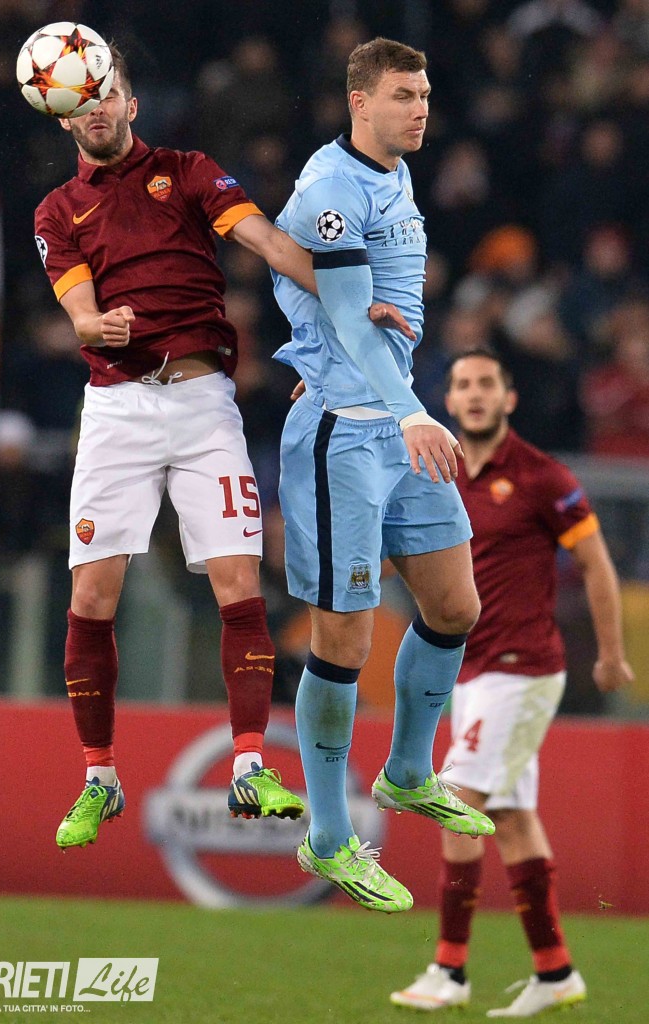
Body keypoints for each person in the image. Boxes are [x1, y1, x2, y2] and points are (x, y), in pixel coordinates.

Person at [33, 46, 409, 850]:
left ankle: (249, 766)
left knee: (238, 582)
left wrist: (353, 301)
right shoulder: (57, 212)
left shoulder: (188, 172)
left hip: (203, 404)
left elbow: (267, 242)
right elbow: (80, 313)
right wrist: (97, 326)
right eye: (82, 102)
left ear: (131, 103)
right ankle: (99, 776)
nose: (97, 110)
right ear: (64, 118)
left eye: (108, 94)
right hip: (117, 409)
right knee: (92, 597)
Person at [271, 37, 495, 914]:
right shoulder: (332, 190)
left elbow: (340, 303)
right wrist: (403, 408)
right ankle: (329, 838)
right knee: (344, 642)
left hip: (397, 419)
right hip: (348, 434)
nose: (421, 108)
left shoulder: (391, 174)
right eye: (403, 94)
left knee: (454, 606)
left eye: (425, 93)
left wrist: (395, 401)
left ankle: (406, 772)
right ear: (359, 100)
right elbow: (347, 318)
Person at [391, 349, 633, 1015]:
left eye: (486, 384)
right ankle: (555, 972)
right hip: (468, 671)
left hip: (522, 668)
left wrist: (611, 654)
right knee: (511, 818)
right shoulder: (434, 470)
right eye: (462, 385)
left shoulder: (541, 476)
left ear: (508, 399)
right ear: (448, 400)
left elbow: (595, 563)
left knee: (453, 800)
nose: (474, 394)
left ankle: (449, 969)